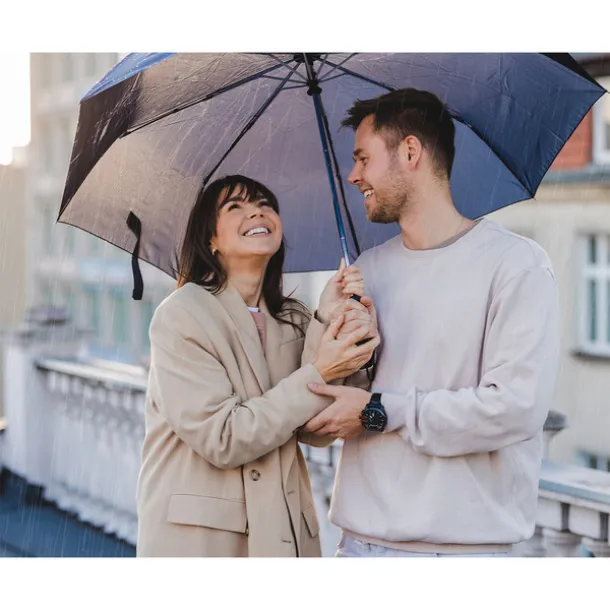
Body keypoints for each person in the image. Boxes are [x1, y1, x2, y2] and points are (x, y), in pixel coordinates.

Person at [305, 88, 560, 557]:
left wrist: (381, 410)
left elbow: (515, 409)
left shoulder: (515, 265)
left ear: (410, 152)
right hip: (358, 548)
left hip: (461, 556)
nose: (352, 175)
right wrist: (337, 331)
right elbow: (322, 418)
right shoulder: (366, 272)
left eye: (363, 158)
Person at [136, 174, 378, 557]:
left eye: (265, 204)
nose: (257, 212)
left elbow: (315, 432)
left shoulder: (295, 318)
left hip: (282, 536)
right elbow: (225, 438)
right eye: (236, 207)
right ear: (211, 240)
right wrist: (320, 372)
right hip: (206, 544)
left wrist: (337, 323)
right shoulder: (181, 316)